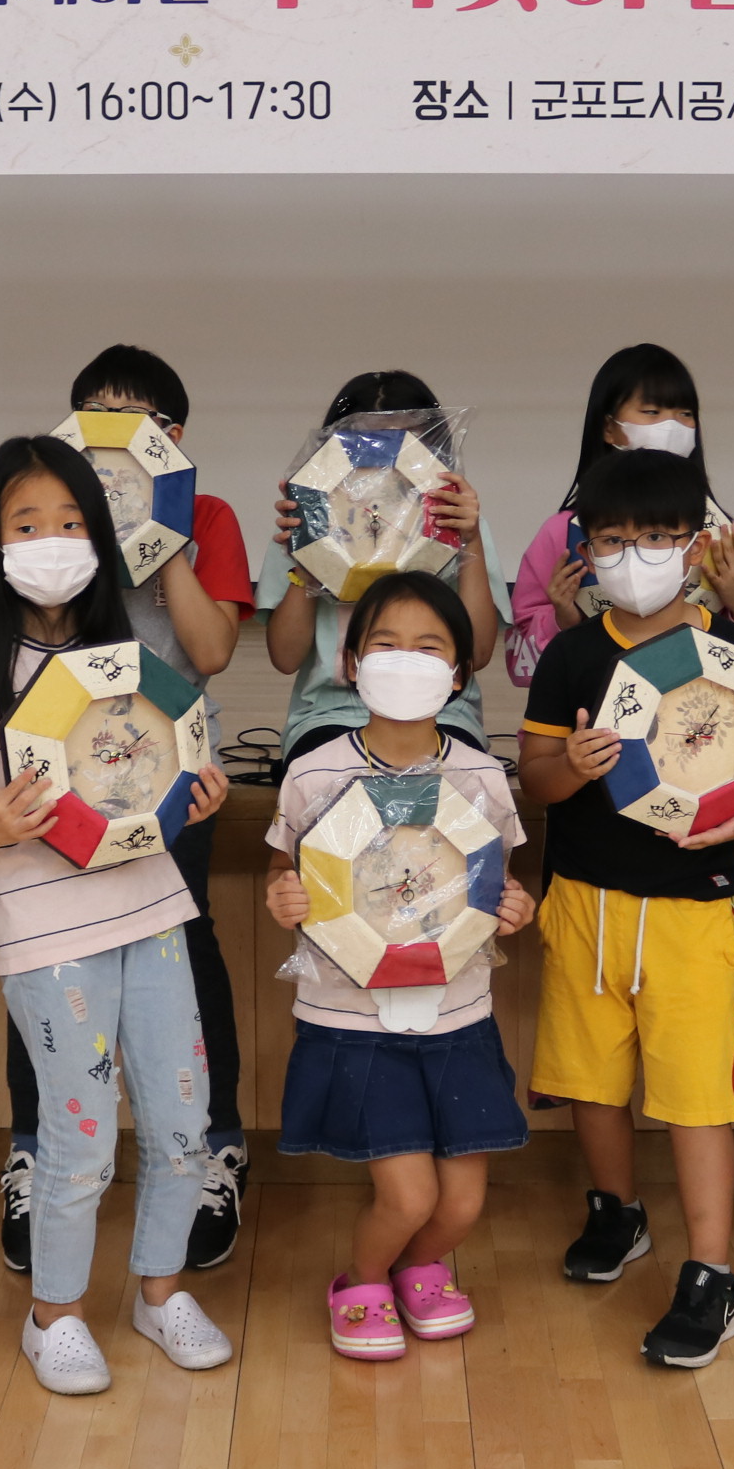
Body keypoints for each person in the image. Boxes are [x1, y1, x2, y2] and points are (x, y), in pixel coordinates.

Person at [0, 434, 236, 1396]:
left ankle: (160, 1292)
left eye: (70, 522)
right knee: (80, 1139)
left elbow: (167, 776)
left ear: (101, 537)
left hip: (153, 912)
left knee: (185, 1125)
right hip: (47, 939)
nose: (51, 540)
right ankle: (53, 1315)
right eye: (26, 524)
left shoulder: (131, 663)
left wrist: (199, 794)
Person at [517, 446, 734, 1369]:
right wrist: (570, 768)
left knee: (694, 1092)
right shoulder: (571, 654)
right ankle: (617, 1212)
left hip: (689, 906)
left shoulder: (733, 652)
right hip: (584, 901)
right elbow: (536, 775)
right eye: (613, 540)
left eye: (659, 538)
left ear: (695, 544)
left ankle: (711, 1272)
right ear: (585, 548)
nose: (635, 557)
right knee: (589, 1078)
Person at [0, 347, 256, 1276]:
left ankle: (215, 1149)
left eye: (136, 419)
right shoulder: (56, 519)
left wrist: (164, 530)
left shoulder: (207, 516)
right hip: (55, 774)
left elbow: (211, 652)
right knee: (47, 955)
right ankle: (33, 1152)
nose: (113, 435)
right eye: (95, 414)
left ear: (173, 436)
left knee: (186, 950)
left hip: (169, 776)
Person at [263, 571, 536, 1360]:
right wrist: (282, 895)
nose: (404, 660)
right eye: (385, 644)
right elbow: (282, 869)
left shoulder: (480, 775)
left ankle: (420, 1270)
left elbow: (501, 884)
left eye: (428, 647)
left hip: (459, 1018)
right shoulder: (315, 771)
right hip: (353, 1021)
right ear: (350, 664)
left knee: (461, 1205)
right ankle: (362, 1280)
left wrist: (518, 907)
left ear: (459, 672)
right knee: (408, 1194)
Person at [263, 369, 502, 766]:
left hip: (442, 711)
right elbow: (285, 659)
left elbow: (477, 652)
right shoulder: (302, 525)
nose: (384, 456)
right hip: (333, 713)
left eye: (405, 443)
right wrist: (306, 562)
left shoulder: (458, 523)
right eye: (366, 442)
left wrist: (471, 540)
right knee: (329, 778)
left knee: (454, 779)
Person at [508, 343, 734, 686]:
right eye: (652, 411)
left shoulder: (721, 533)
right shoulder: (562, 533)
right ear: (609, 427)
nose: (672, 425)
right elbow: (522, 660)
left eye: (685, 414)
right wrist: (561, 618)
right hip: (590, 696)